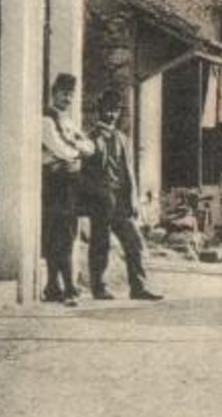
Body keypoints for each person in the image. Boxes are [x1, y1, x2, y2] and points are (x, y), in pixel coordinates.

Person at [79, 89, 162, 302]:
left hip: (122, 202)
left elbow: (130, 173)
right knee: (101, 244)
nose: (111, 115)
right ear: (100, 111)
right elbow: (84, 176)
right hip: (101, 201)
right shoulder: (90, 139)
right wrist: (96, 196)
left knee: (134, 242)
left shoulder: (123, 139)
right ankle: (99, 288)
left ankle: (139, 287)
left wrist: (133, 199)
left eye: (115, 111)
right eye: (107, 110)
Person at [40, 74, 94, 306]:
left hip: (69, 183)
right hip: (55, 181)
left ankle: (58, 285)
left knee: (67, 234)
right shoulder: (47, 118)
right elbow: (59, 149)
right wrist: (75, 149)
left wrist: (76, 147)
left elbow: (90, 146)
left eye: (71, 94)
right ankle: (63, 286)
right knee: (58, 234)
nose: (67, 98)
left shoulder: (68, 121)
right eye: (63, 93)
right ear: (54, 92)